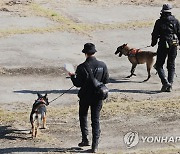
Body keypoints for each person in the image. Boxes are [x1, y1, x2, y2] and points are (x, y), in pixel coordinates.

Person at [68, 43, 109, 153]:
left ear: (85, 53)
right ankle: (95, 146)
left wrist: (72, 75)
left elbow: (77, 83)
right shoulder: (103, 65)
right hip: (98, 96)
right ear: (94, 52)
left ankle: (85, 139)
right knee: (95, 120)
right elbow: (105, 81)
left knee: (83, 116)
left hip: (85, 96)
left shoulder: (81, 67)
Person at [151, 4, 180, 92]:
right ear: (170, 11)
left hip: (163, 44)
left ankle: (165, 82)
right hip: (174, 44)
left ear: (162, 11)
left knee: (159, 65)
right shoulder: (175, 21)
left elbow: (155, 34)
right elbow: (179, 33)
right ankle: (170, 84)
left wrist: (153, 43)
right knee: (171, 65)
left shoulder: (159, 22)